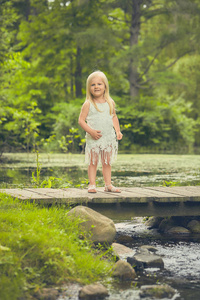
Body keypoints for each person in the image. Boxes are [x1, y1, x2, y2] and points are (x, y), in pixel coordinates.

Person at [78, 70, 123, 193]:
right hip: (94, 138)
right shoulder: (88, 104)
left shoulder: (110, 102)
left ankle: (108, 185)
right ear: (89, 88)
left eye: (99, 84)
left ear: (105, 86)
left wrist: (117, 131)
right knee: (93, 161)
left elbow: (113, 117)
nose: (96, 87)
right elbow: (81, 121)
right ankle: (92, 184)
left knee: (107, 162)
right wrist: (91, 131)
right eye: (93, 85)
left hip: (108, 137)